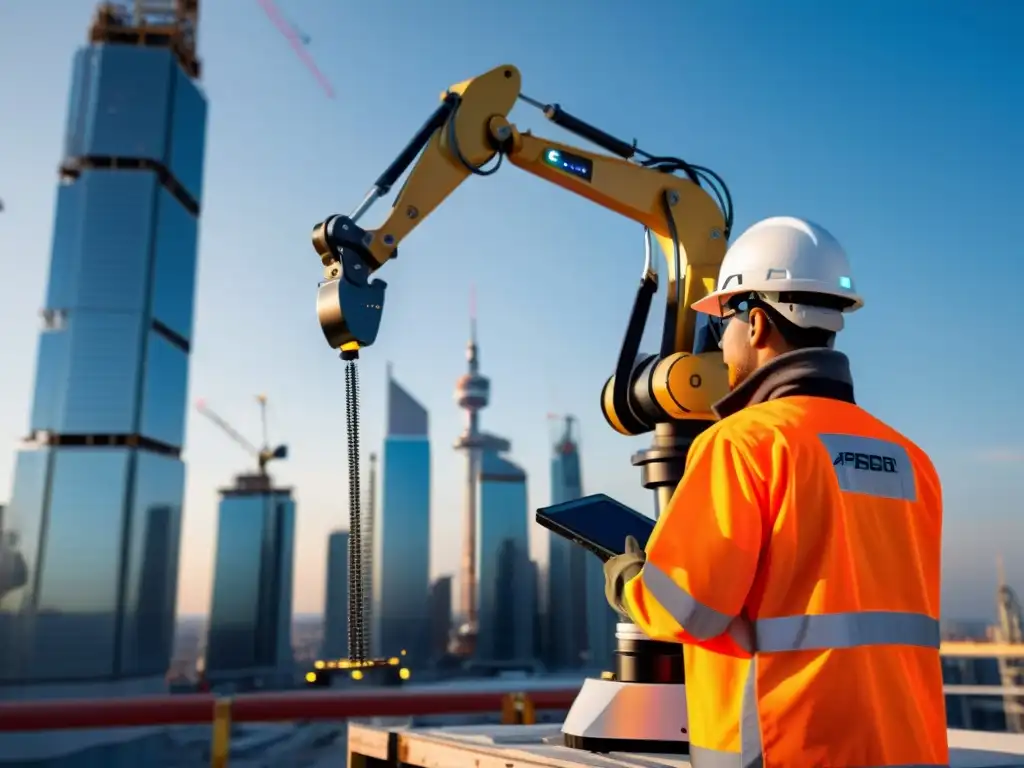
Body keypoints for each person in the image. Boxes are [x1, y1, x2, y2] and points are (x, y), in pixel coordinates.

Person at [604, 216, 947, 768]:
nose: (720, 342)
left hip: (789, 752)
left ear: (757, 323)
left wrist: (629, 584)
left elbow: (689, 610)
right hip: (906, 752)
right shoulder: (912, 460)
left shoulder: (743, 444)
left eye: (722, 324)